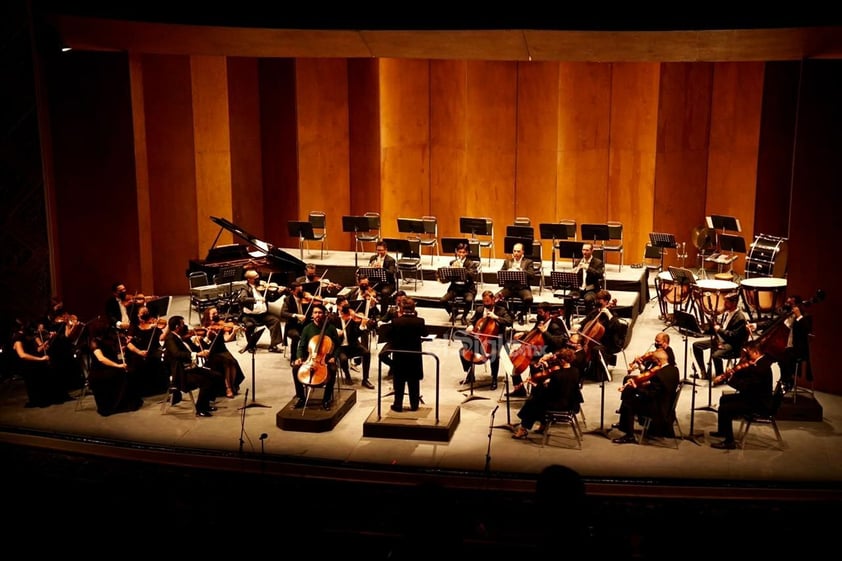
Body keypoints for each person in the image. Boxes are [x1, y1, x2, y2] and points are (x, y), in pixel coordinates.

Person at [709, 340, 774, 449]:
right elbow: (747, 374)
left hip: (758, 402)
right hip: (753, 396)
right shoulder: (760, 362)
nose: (747, 356)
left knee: (726, 408)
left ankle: (729, 442)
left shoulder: (761, 367)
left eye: (748, 352)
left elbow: (746, 387)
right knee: (724, 399)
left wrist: (730, 379)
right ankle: (723, 431)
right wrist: (733, 372)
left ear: (755, 352)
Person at [512, 348, 584, 439]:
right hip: (571, 402)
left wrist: (536, 384)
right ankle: (543, 425)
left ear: (562, 360)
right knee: (537, 400)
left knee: (532, 402)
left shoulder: (557, 374)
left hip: (560, 405)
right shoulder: (575, 371)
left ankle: (523, 429)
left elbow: (549, 393)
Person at [611, 348, 680, 443]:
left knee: (628, 403)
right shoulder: (674, 370)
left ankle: (629, 435)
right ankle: (625, 427)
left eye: (655, 361)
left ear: (659, 361)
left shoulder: (660, 375)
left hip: (659, 409)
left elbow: (650, 395)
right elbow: (659, 388)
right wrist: (647, 383)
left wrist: (636, 387)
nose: (654, 363)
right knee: (631, 396)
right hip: (667, 405)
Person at [163, 315, 224, 417]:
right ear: (177, 326)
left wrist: (206, 341)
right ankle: (200, 409)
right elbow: (177, 354)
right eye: (183, 324)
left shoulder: (182, 338)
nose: (185, 326)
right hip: (181, 373)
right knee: (206, 381)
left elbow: (195, 348)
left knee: (216, 375)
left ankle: (206, 403)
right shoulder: (170, 339)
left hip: (190, 368)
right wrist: (197, 354)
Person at [507, 302, 568, 398]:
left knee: (533, 364)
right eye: (537, 312)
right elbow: (534, 332)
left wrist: (545, 332)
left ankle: (536, 393)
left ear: (547, 312)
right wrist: (523, 333)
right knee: (515, 361)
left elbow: (558, 343)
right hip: (538, 349)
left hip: (549, 351)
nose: (538, 315)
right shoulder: (540, 322)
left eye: (540, 312)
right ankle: (519, 389)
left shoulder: (554, 325)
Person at [378, 297, 428, 412]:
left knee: (399, 383)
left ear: (402, 308)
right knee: (414, 383)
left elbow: (389, 336)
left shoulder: (396, 322)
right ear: (414, 309)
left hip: (400, 358)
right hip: (414, 357)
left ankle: (398, 405)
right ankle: (414, 405)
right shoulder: (420, 321)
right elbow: (425, 333)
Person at [87, 317, 144, 416]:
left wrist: (139, 352)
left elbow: (125, 343)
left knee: (130, 372)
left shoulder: (109, 337)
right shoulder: (94, 342)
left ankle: (128, 402)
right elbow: (101, 359)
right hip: (100, 370)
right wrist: (118, 365)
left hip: (112, 367)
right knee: (122, 375)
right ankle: (116, 405)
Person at [458, 290, 513, 391]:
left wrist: (496, 317)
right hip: (480, 338)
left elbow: (509, 322)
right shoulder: (480, 310)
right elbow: (472, 320)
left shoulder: (501, 310)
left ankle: (494, 379)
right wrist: (470, 325)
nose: (486, 304)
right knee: (462, 351)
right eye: (484, 302)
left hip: (497, 340)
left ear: (493, 299)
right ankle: (470, 375)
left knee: (494, 355)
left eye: (488, 301)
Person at [11, 320, 72, 408]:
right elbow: (22, 355)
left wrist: (50, 339)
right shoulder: (18, 337)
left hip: (36, 364)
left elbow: (39, 349)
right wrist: (40, 359)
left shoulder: (28, 335)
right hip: (29, 366)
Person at [291, 303, 340, 410]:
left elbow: (338, 346)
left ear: (324, 314)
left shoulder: (331, 328)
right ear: (312, 315)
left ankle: (326, 399)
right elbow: (301, 346)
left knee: (332, 369)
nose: (317, 315)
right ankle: (301, 397)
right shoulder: (307, 328)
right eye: (315, 313)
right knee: (295, 369)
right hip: (310, 358)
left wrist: (334, 357)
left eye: (320, 312)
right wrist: (299, 358)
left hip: (326, 359)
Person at [692, 292, 748, 380]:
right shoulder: (727, 313)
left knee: (715, 355)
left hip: (733, 345)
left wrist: (719, 330)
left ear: (734, 303)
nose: (724, 304)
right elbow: (724, 328)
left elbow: (733, 336)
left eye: (727, 302)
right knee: (696, 345)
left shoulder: (740, 318)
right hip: (722, 339)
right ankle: (702, 372)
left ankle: (721, 376)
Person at [200, 306, 246, 398]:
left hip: (222, 349)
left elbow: (226, 339)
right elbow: (204, 345)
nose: (216, 315)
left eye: (217, 313)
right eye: (213, 314)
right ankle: (227, 387)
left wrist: (233, 332)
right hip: (213, 352)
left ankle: (232, 385)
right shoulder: (204, 328)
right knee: (226, 363)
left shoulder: (221, 325)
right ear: (207, 316)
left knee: (232, 362)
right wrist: (208, 336)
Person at [332, 295, 375, 389]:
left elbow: (356, 334)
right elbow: (328, 332)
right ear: (338, 306)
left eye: (347, 305)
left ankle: (365, 379)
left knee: (366, 353)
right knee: (343, 359)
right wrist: (336, 332)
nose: (347, 308)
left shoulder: (352, 317)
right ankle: (347, 375)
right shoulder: (333, 318)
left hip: (352, 344)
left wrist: (362, 325)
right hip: (340, 347)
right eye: (344, 306)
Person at [126, 305, 169, 396]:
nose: (146, 315)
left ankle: (159, 388)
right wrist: (139, 352)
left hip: (153, 351)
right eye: (143, 313)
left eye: (147, 313)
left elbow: (161, 338)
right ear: (137, 315)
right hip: (138, 352)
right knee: (138, 363)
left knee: (160, 359)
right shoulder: (133, 327)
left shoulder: (153, 324)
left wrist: (168, 329)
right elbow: (128, 344)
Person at [238, 269, 285, 353]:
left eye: (258, 276)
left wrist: (278, 292)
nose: (258, 279)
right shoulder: (244, 288)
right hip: (249, 316)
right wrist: (257, 299)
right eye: (255, 278)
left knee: (275, 321)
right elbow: (243, 299)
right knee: (249, 325)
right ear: (249, 279)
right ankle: (251, 345)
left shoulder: (262, 287)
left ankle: (273, 346)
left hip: (263, 315)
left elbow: (271, 299)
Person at [564, 243, 605, 328]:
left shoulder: (598, 262)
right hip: (578, 289)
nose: (584, 252)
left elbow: (600, 275)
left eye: (587, 250)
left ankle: (587, 324)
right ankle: (567, 322)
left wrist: (587, 268)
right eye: (583, 250)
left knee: (588, 300)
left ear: (591, 251)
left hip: (591, 289)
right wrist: (573, 272)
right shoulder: (578, 261)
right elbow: (572, 278)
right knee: (567, 299)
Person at [777, 295, 812, 392]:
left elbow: (807, 329)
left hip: (796, 349)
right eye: (787, 303)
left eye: (791, 304)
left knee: (785, 359)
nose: (788, 306)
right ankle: (785, 380)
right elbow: (772, 323)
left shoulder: (805, 317)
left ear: (797, 305)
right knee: (776, 356)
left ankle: (786, 380)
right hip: (784, 346)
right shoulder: (785, 314)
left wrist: (799, 316)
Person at [439, 242, 479, 325]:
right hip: (455, 288)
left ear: (467, 253)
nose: (461, 254)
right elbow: (449, 277)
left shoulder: (470, 263)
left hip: (467, 289)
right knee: (443, 300)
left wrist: (461, 268)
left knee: (469, 300)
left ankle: (464, 316)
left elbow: (472, 275)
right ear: (457, 252)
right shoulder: (452, 262)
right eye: (459, 252)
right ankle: (453, 312)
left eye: (463, 252)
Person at [497, 242, 535, 323]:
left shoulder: (528, 262)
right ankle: (509, 314)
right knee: (496, 298)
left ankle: (521, 314)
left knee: (529, 298)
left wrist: (522, 271)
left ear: (523, 252)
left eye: (518, 251)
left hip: (522, 288)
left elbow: (532, 275)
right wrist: (508, 271)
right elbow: (500, 274)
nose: (516, 253)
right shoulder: (507, 262)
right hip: (509, 288)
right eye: (514, 251)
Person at [280, 281, 312, 365]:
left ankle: (306, 356)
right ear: (292, 291)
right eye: (299, 291)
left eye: (302, 290)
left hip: (305, 325)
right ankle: (293, 358)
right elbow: (283, 313)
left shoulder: (306, 299)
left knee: (312, 334)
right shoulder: (288, 299)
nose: (301, 293)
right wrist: (296, 315)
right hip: (292, 326)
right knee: (295, 336)